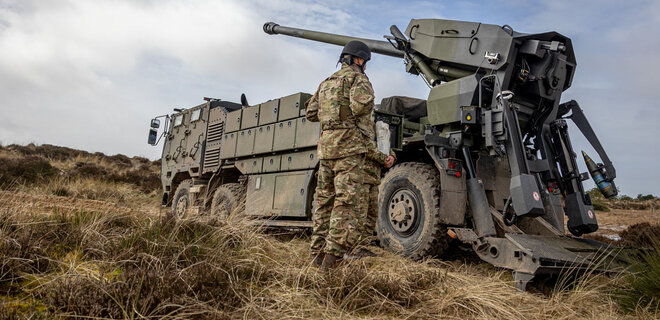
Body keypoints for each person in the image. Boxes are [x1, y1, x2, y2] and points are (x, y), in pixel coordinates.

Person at [305, 40, 392, 269]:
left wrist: (331, 115)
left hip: (326, 150)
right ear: (359, 60)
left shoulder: (326, 82)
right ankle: (333, 259)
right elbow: (360, 107)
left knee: (324, 202)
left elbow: (311, 113)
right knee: (345, 203)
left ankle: (316, 254)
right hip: (349, 150)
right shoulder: (358, 79)